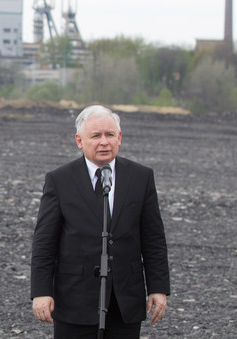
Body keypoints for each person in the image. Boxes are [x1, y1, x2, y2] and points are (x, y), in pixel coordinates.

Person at [31, 105, 170, 338]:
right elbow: (44, 242)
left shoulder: (141, 177)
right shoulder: (60, 180)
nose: (104, 142)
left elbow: (153, 238)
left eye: (110, 135)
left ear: (120, 138)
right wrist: (41, 292)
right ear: (79, 140)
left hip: (125, 301)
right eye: (95, 136)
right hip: (74, 301)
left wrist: (158, 288)